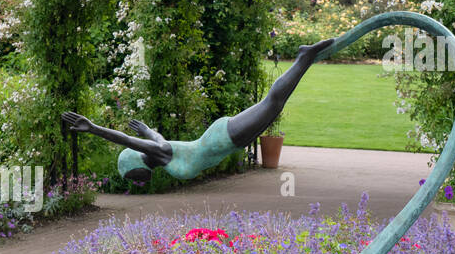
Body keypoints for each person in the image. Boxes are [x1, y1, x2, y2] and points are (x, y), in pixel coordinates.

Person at [62, 39, 335, 182]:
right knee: (273, 106)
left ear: (138, 161)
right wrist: (147, 129)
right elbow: (154, 138)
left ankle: (304, 56)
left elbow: (127, 140)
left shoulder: (162, 154)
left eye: (133, 175)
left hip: (222, 138)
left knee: (272, 104)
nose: (137, 180)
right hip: (224, 140)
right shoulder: (162, 154)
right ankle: (304, 59)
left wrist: (94, 128)